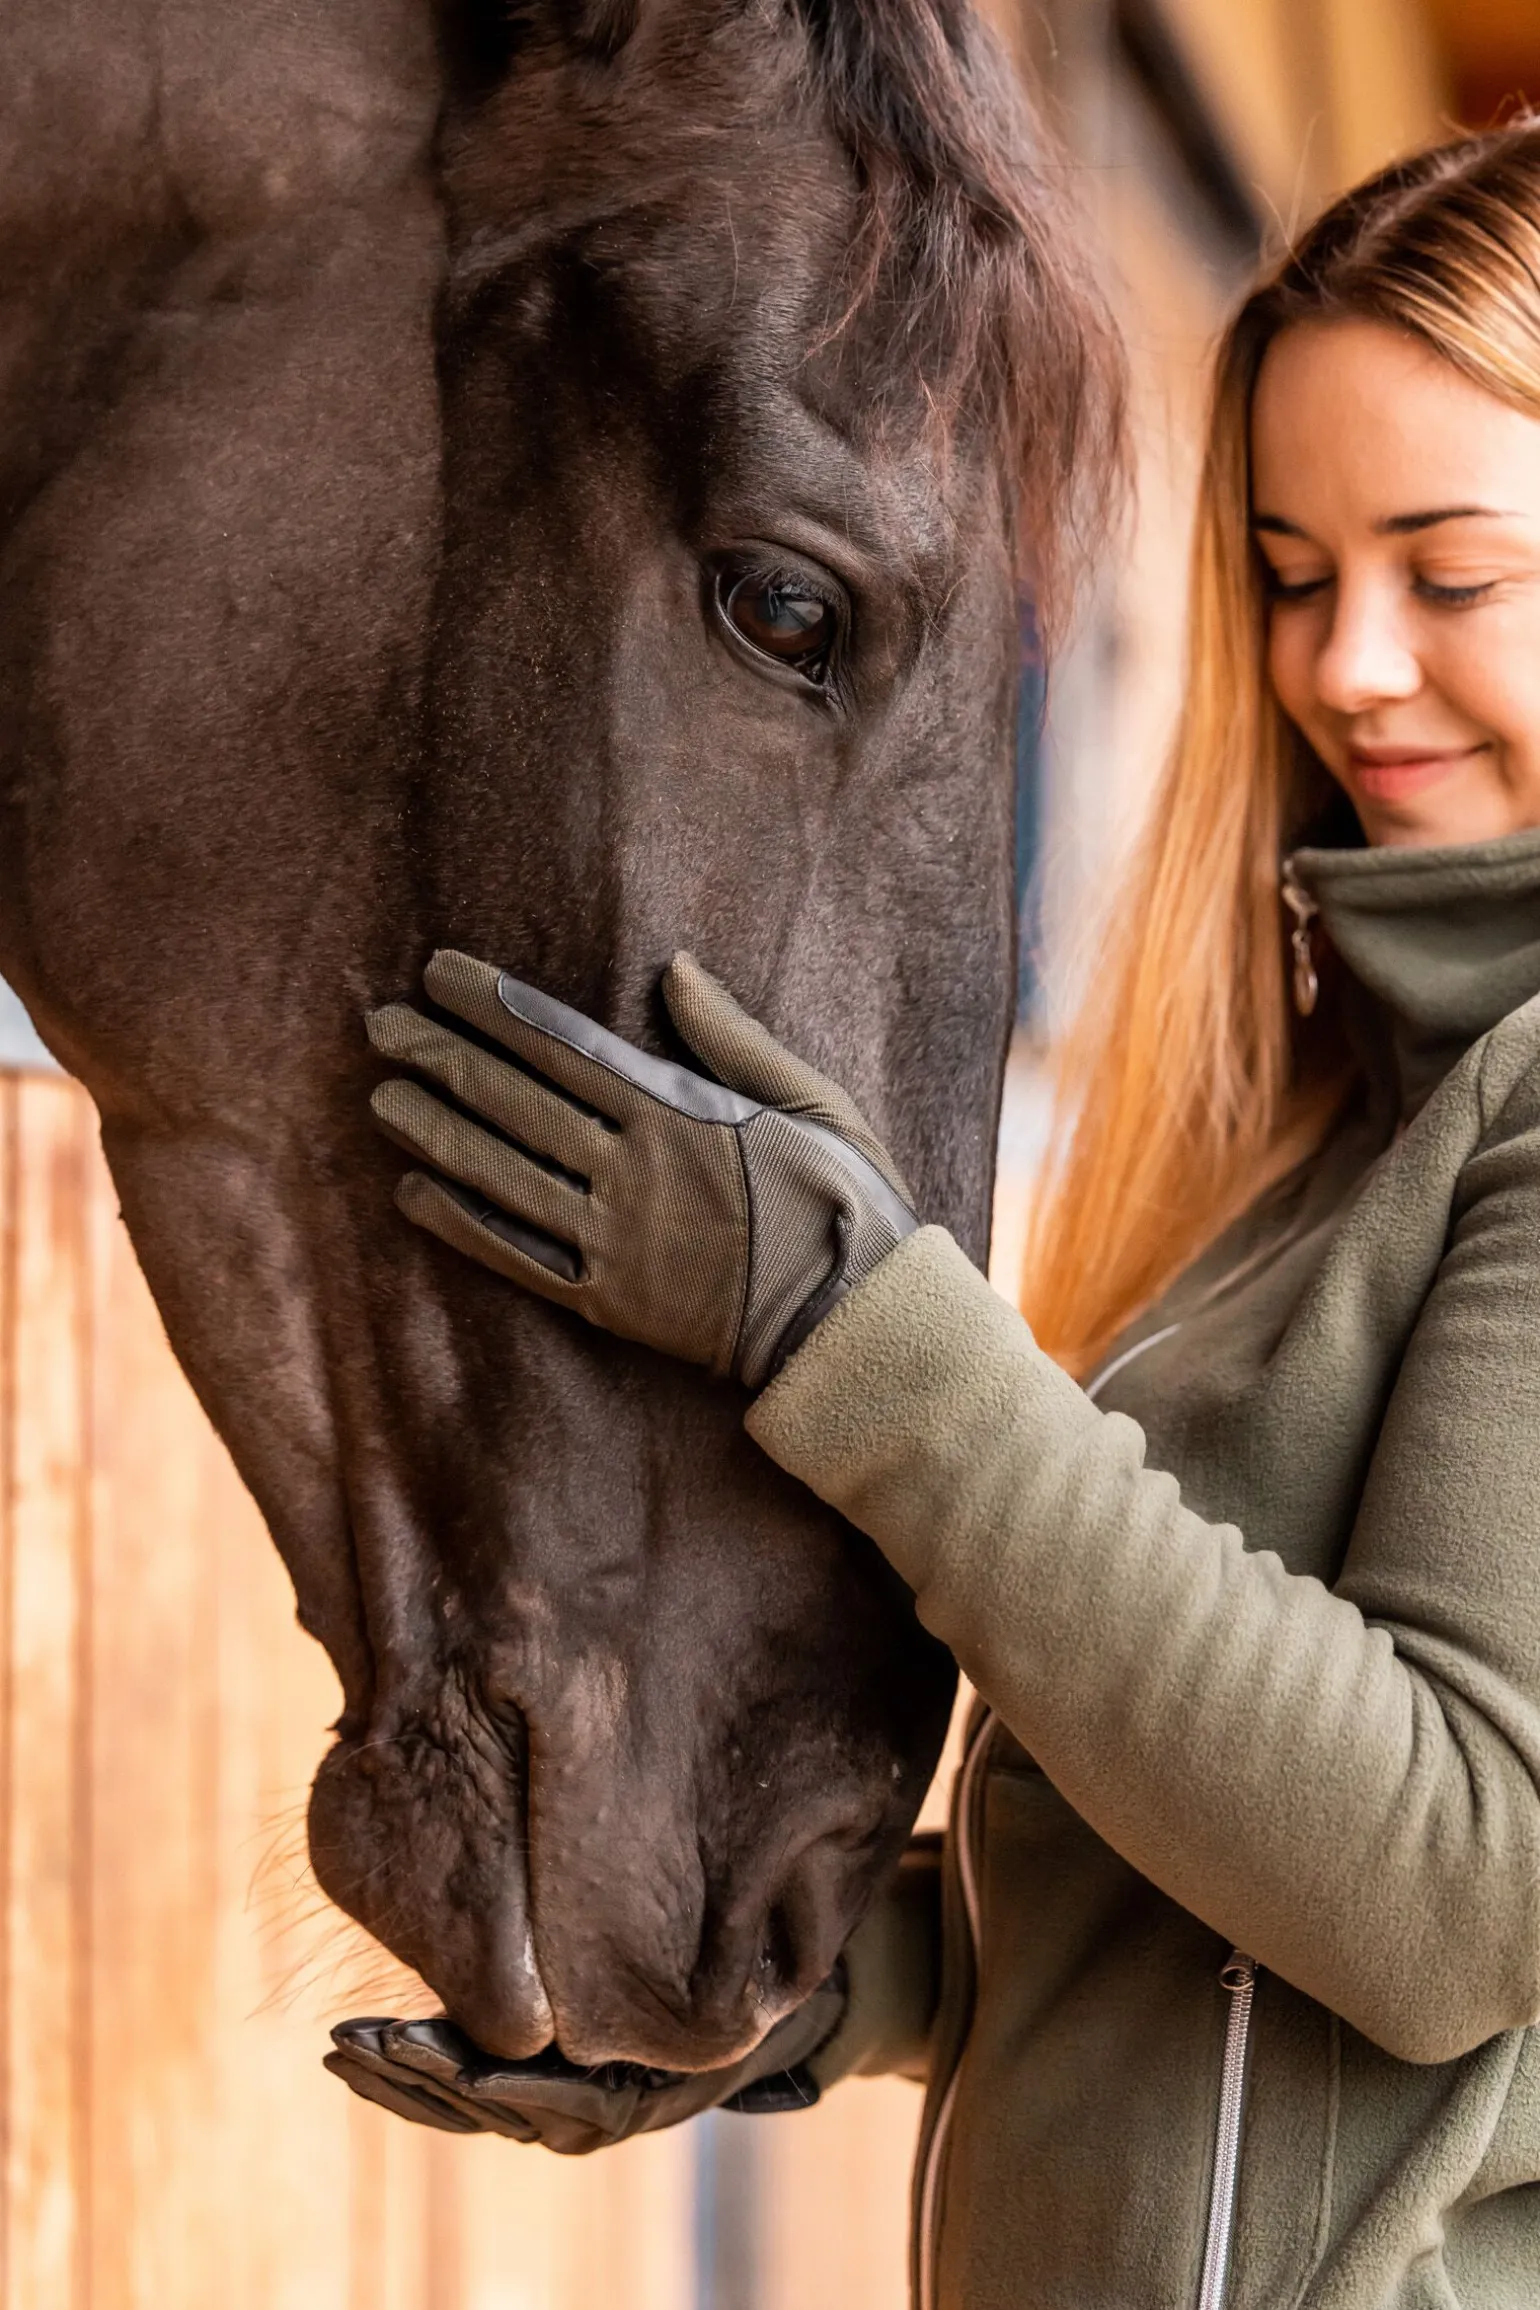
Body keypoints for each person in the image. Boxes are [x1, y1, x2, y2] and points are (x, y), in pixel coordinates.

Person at [356, 123, 1540, 2309]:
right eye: (1290, 574)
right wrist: (797, 1997)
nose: (1346, 667)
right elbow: (1207, 1894)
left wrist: (842, 1320)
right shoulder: (1335, 1114)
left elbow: (1450, 1901)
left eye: (1448, 577)